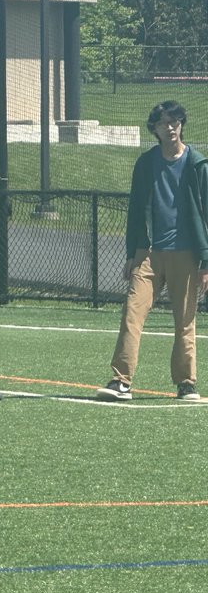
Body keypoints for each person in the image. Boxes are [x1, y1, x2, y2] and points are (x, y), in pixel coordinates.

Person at [96, 100, 208, 402]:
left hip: (186, 254)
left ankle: (186, 383)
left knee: (185, 320)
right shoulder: (145, 163)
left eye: (174, 121)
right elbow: (135, 211)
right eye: (162, 123)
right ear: (155, 129)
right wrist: (131, 253)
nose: (169, 127)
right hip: (147, 253)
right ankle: (121, 381)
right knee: (132, 313)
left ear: (182, 124)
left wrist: (205, 261)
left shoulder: (198, 164)